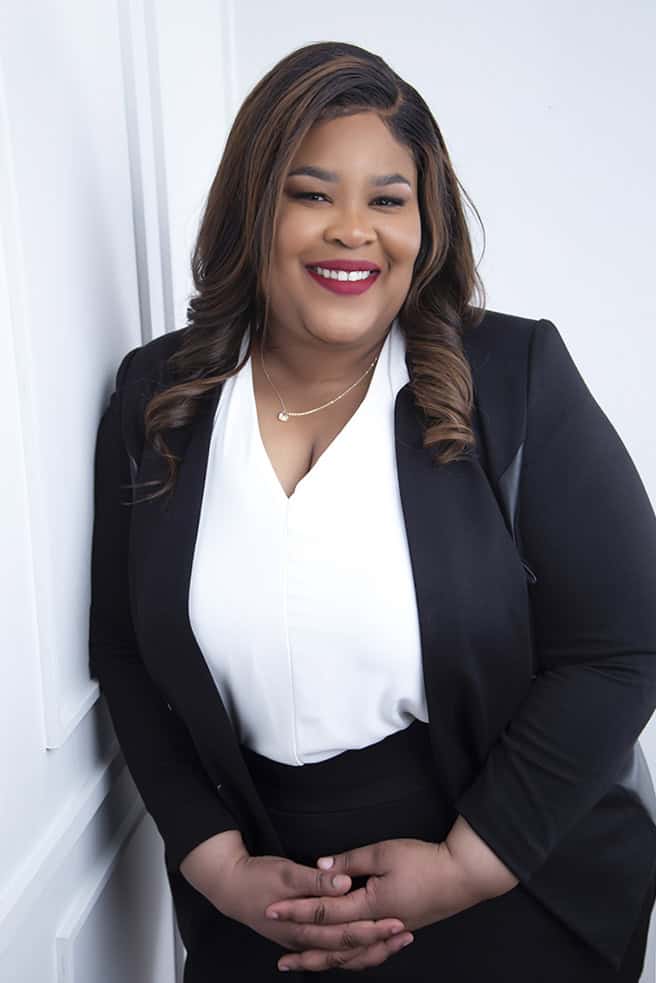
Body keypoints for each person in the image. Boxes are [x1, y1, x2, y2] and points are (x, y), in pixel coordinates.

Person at [89, 40, 656, 981]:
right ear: (252, 208)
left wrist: (467, 866)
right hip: (261, 906)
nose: (354, 230)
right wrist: (215, 862)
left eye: (387, 200)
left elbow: (623, 642)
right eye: (312, 194)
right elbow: (124, 651)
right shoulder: (160, 397)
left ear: (425, 224)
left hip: (513, 878)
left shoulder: (515, 378)